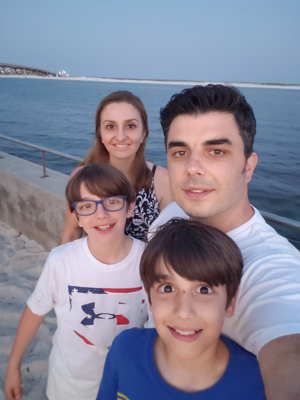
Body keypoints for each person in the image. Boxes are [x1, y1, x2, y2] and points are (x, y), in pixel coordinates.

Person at [150, 84, 300, 399]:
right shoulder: (170, 215)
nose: (192, 167)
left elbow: (288, 349)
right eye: (180, 152)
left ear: (248, 166)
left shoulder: (268, 266)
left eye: (216, 151)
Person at [5, 163, 148, 400]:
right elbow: (35, 309)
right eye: (87, 206)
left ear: (130, 207)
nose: (101, 215)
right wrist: (13, 363)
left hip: (126, 382)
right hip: (69, 385)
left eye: (112, 201)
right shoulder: (61, 260)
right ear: (77, 216)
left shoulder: (149, 262)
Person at [97, 218, 266, 399]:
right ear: (150, 298)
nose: (184, 312)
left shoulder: (261, 383)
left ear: (230, 302)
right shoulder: (125, 350)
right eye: (167, 288)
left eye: (204, 290)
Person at [61, 90, 173, 244]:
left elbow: (173, 241)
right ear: (100, 134)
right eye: (110, 126)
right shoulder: (82, 177)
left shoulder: (161, 180)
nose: (120, 136)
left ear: (144, 133)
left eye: (131, 125)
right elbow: (71, 233)